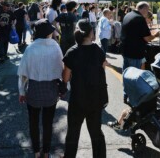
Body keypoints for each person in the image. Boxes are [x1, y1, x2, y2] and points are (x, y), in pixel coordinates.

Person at [18, 19, 63, 158]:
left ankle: (37, 152)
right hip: (50, 89)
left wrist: (21, 91)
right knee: (48, 123)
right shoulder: (55, 46)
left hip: (34, 89)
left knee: (33, 122)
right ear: (48, 33)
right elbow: (61, 68)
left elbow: (23, 74)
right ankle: (46, 152)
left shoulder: (31, 48)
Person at [62, 19, 108, 158]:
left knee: (73, 133)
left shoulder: (72, 52)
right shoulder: (99, 51)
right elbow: (102, 70)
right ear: (91, 34)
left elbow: (65, 78)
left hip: (77, 98)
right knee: (96, 132)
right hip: (95, 98)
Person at [121, 1, 160, 103]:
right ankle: (134, 99)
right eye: (147, 10)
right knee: (135, 76)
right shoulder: (139, 18)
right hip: (135, 52)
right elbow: (147, 38)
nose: (148, 12)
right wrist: (155, 35)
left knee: (127, 74)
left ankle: (126, 95)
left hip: (126, 50)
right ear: (143, 9)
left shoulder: (128, 15)